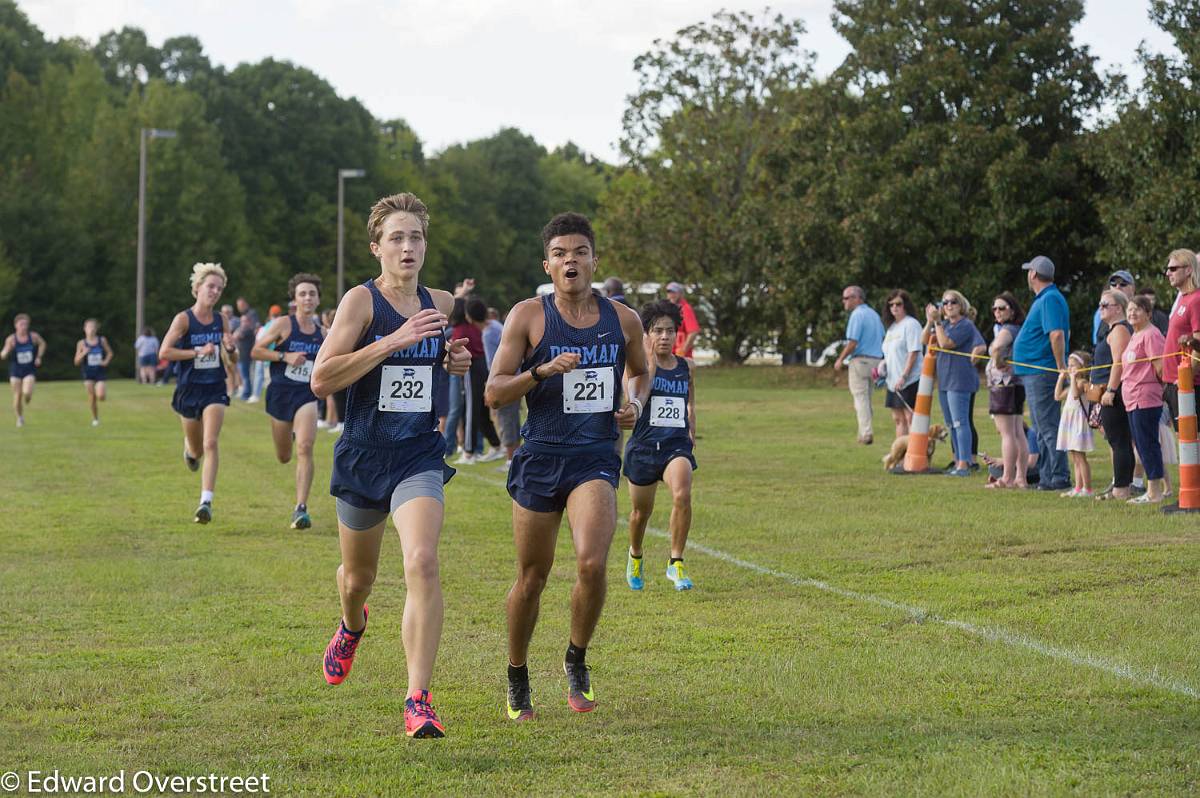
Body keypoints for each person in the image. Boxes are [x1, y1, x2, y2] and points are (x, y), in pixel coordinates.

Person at [310, 193, 471, 739]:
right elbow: (322, 378)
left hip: (417, 455)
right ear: (377, 247)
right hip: (362, 454)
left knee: (422, 561)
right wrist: (394, 341)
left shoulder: (441, 303)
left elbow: (440, 362)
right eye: (397, 238)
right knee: (358, 579)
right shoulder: (360, 302)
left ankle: (418, 698)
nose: (408, 247)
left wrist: (455, 360)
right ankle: (351, 625)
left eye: (416, 237)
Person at [485, 212, 649, 722]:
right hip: (540, 457)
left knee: (592, 563)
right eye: (559, 254)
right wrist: (540, 370)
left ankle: (576, 657)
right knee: (532, 576)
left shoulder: (622, 319)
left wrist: (634, 406)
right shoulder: (528, 317)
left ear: (594, 260)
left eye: (579, 252)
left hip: (595, 457)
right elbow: (494, 392)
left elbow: (641, 374)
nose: (570, 261)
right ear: (547, 265)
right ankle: (517, 671)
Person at [623, 300, 697, 592]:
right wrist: (650, 364)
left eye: (670, 331)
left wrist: (692, 431)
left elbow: (690, 404)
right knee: (641, 513)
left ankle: (675, 562)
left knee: (682, 493)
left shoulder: (687, 367)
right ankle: (635, 555)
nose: (665, 337)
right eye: (658, 331)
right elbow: (634, 399)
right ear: (647, 335)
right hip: (642, 448)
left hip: (675, 445)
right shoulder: (638, 369)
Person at [159, 263, 236, 523]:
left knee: (211, 442)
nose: (214, 292)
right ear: (197, 288)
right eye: (210, 287)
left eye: (219, 288)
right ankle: (189, 452)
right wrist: (196, 352)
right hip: (188, 390)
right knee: (197, 449)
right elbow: (164, 352)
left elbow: (231, 358)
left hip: (214, 387)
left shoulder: (221, 320)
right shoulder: (184, 319)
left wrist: (231, 348)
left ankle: (206, 502)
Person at [252, 274, 325, 530]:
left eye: (312, 294)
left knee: (305, 447)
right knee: (284, 456)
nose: (307, 298)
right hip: (280, 393)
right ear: (294, 299)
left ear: (318, 299)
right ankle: (288, 437)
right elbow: (256, 351)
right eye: (303, 293)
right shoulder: (284, 324)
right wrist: (284, 355)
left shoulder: (323, 334)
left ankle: (301, 508)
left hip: (306, 395)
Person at [1013, 255, 1071, 491]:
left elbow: (1056, 334)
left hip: (1042, 372)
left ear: (1033, 274)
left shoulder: (1050, 299)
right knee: (1041, 426)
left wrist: (1059, 366)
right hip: (1033, 371)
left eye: (1029, 271)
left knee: (1048, 426)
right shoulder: (1046, 299)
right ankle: (1047, 476)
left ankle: (1059, 476)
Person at [925, 290, 984, 476]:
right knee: (951, 424)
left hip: (960, 381)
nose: (948, 305)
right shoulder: (944, 325)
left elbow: (945, 344)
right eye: (945, 302)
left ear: (961, 306)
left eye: (953, 302)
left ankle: (964, 465)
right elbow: (923, 340)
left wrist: (936, 322)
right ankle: (959, 461)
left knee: (960, 423)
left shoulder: (964, 325)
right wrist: (929, 321)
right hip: (944, 381)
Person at [1122, 295, 1168, 504]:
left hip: (1146, 398)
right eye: (1130, 309)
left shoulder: (1151, 334)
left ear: (1148, 313)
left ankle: (1155, 492)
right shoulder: (1135, 334)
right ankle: (1152, 490)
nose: (1132, 313)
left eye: (1138, 309)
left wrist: (1161, 387)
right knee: (1141, 445)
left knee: (1147, 444)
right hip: (1132, 398)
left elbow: (1160, 368)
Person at [1093, 290, 1135, 501]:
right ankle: (1121, 485)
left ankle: (1121, 488)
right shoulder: (1111, 330)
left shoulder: (1119, 330)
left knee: (1118, 441)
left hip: (1114, 393)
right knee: (1118, 441)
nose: (1101, 308)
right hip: (1107, 391)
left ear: (1118, 308)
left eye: (1105, 304)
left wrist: (1110, 390)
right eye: (1100, 304)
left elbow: (1119, 362)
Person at [833, 286, 885, 445]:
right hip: (876, 361)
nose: (844, 301)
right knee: (867, 398)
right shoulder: (874, 314)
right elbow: (883, 337)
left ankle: (866, 433)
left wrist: (840, 359)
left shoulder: (857, 315)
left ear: (857, 298)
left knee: (860, 398)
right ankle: (863, 430)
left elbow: (853, 342)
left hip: (860, 360)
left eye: (847, 298)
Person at [986, 292, 1028, 488]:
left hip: (1003, 385)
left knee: (1007, 434)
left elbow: (996, 347)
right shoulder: (1019, 328)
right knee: (1018, 431)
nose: (997, 312)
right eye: (995, 308)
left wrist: (996, 358)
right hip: (1017, 384)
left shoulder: (1008, 329)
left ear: (1012, 310)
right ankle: (1020, 478)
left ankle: (1007, 478)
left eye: (1002, 308)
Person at [1162, 249, 1200, 432]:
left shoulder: (1196, 300)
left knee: (1193, 442)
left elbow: (1199, 345)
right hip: (1175, 382)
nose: (1168, 273)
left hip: (1189, 384)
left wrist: (1186, 378)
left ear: (1188, 270)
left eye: (1173, 268)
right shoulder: (1183, 299)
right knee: (1186, 443)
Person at [465, 297, 503, 463]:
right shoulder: (495, 325)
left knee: (503, 417)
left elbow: (491, 363)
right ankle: (498, 447)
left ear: (469, 317)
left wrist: (489, 386)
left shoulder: (487, 334)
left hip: (502, 378)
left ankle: (506, 453)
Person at [880, 289, 923, 437]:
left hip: (909, 380)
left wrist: (904, 376)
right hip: (893, 381)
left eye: (898, 304)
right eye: (891, 304)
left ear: (905, 305)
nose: (894, 307)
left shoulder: (911, 324)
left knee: (910, 418)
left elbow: (913, 352)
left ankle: (913, 457)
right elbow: (889, 353)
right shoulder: (892, 328)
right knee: (898, 419)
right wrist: (882, 367)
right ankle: (901, 458)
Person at [1054, 351, 1095, 497]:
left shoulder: (1082, 383)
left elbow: (1076, 395)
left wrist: (1071, 378)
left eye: (1073, 366)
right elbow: (1058, 396)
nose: (1070, 368)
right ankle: (1078, 488)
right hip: (1069, 423)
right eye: (1069, 365)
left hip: (1079, 422)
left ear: (1082, 367)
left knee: (1080, 456)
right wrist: (1061, 378)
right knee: (1074, 456)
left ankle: (1088, 489)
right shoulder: (1073, 382)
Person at [1, 313, 45, 427]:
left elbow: (42, 344)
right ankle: (19, 418)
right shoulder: (11, 339)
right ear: (16, 325)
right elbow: (3, 354)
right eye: (21, 324)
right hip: (15, 370)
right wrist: (8, 350)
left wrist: (39, 357)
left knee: (27, 392)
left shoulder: (33, 336)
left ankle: (28, 396)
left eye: (25, 324)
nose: (24, 327)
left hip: (29, 369)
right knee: (17, 395)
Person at [73, 319, 113, 427]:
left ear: (96, 329)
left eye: (93, 327)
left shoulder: (102, 340)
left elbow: (110, 353)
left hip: (100, 372)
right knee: (92, 397)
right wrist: (83, 353)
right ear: (84, 329)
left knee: (101, 396)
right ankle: (95, 419)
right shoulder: (81, 343)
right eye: (89, 327)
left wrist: (105, 361)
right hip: (88, 373)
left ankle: (101, 393)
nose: (91, 329)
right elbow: (76, 361)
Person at [250, 304, 283, 403]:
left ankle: (258, 396)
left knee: (267, 381)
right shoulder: (284, 323)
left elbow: (259, 341)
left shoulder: (267, 326)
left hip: (267, 357)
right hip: (280, 357)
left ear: (270, 314)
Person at [1092, 270, 1135, 344]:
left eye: (1123, 284)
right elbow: (1096, 342)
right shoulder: (1101, 312)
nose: (1118, 287)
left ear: (1133, 288)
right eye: (1113, 284)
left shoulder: (1141, 311)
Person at [665, 282, 700, 358]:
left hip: (681, 357)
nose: (671, 295)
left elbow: (693, 332)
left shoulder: (685, 309)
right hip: (670, 355)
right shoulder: (669, 309)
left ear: (680, 294)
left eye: (674, 292)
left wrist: (683, 351)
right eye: (669, 292)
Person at [234, 297, 260, 400]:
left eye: (241, 305)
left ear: (245, 304)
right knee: (243, 372)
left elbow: (254, 328)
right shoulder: (246, 315)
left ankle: (246, 393)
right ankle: (245, 392)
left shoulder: (251, 314)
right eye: (238, 306)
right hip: (242, 350)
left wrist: (240, 333)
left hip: (247, 349)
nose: (239, 307)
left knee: (246, 373)